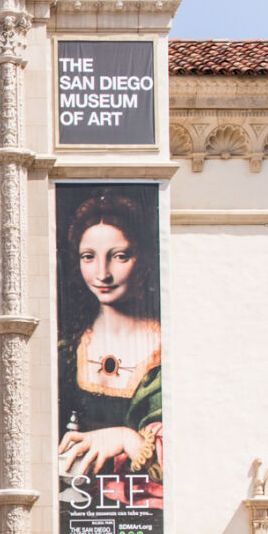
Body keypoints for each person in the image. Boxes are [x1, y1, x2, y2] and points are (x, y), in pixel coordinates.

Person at [56, 191, 163, 506]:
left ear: (142, 260)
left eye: (118, 256)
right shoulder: (67, 350)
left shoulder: (167, 352)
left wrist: (127, 438)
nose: (102, 274)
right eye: (88, 256)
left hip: (146, 515)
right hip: (74, 508)